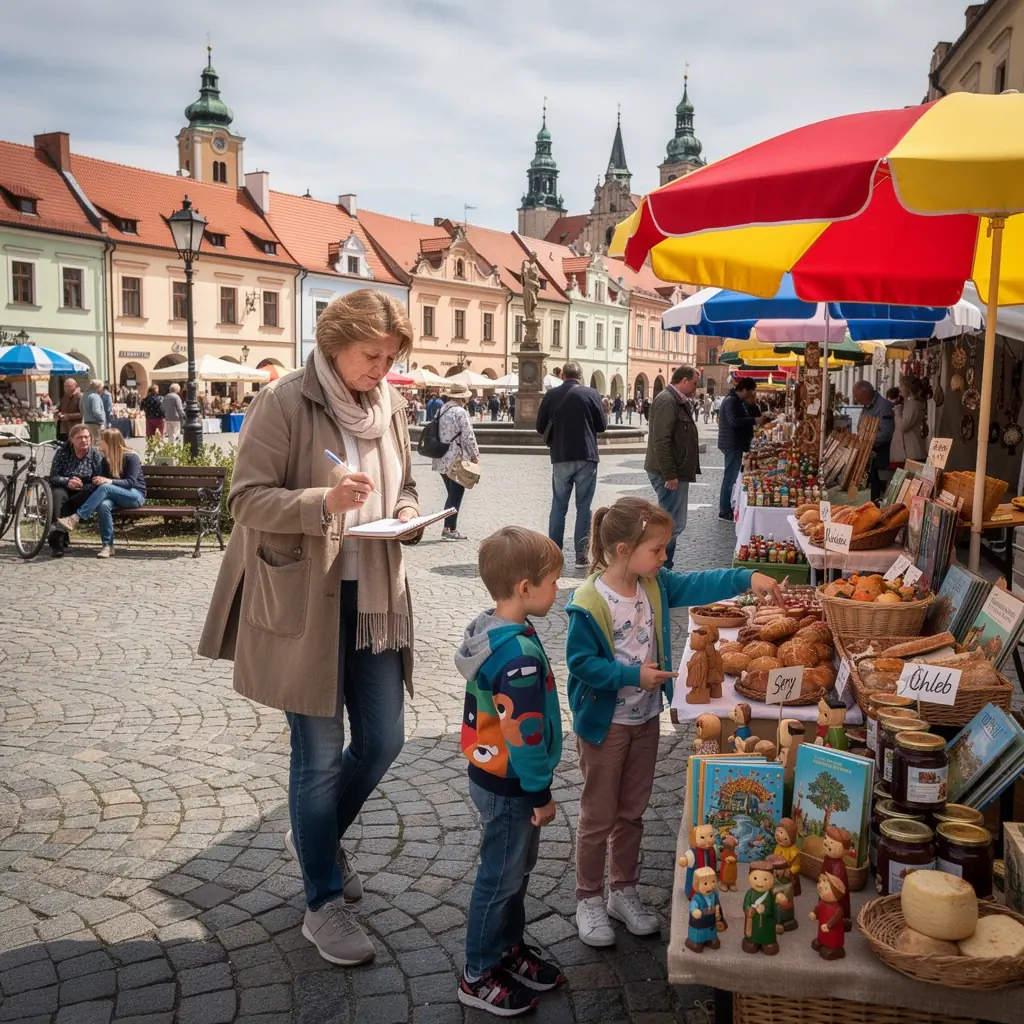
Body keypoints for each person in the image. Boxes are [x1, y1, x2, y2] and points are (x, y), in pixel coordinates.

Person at [199, 289, 422, 969]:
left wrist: (408, 512)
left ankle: (315, 839)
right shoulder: (285, 401)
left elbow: (405, 484)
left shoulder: (391, 407)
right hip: (305, 599)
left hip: (377, 594)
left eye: (389, 357)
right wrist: (321, 501)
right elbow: (245, 498)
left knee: (383, 739)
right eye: (371, 355)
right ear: (334, 345)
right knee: (319, 755)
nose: (381, 369)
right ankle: (321, 900)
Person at [565, 496, 784, 947]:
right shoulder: (589, 601)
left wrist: (748, 576)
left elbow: (701, 582)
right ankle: (588, 897)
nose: (665, 558)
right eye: (658, 549)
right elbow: (581, 664)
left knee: (632, 811)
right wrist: (632, 675)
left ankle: (622, 891)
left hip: (645, 720)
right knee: (598, 815)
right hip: (605, 727)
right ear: (624, 549)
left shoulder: (655, 583)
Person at [455, 527, 566, 1016]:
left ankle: (507, 949)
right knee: (501, 876)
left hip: (497, 776)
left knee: (515, 871)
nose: (557, 590)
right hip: (512, 784)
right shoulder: (517, 658)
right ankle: (477, 972)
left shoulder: (497, 630)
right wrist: (541, 794)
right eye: (553, 582)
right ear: (525, 588)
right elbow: (525, 736)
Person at [536, 361, 607, 566]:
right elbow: (601, 426)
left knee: (559, 506)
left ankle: (554, 554)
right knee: (584, 507)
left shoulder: (551, 395)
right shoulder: (591, 394)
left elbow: (540, 427)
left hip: (561, 455)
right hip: (586, 455)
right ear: (580, 375)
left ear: (562, 375)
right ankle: (581, 556)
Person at [55, 428, 146, 558]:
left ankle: (76, 518)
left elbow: (131, 482)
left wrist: (108, 481)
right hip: (114, 496)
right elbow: (101, 483)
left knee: (105, 487)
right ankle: (108, 546)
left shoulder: (131, 457)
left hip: (134, 495)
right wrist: (93, 483)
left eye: (101, 439)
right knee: (104, 505)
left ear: (110, 442)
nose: (98, 442)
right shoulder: (105, 460)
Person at [644, 365, 701, 570]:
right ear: (684, 380)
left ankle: (663, 568)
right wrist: (670, 474)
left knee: (672, 523)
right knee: (670, 525)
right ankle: (661, 568)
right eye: (694, 383)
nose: (696, 387)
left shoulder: (675, 400)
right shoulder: (668, 401)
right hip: (668, 473)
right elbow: (661, 440)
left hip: (674, 470)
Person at [718, 377, 771, 522]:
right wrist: (755, 421)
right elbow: (734, 422)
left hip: (736, 443)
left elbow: (753, 415)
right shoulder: (731, 401)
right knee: (729, 477)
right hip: (731, 443)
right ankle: (724, 511)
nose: (752, 395)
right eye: (752, 392)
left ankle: (726, 508)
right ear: (745, 390)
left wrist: (753, 405)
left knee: (732, 476)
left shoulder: (739, 401)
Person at [48, 424, 105, 558]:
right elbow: (53, 477)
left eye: (87, 437)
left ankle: (57, 535)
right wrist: (67, 481)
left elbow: (99, 480)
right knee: (58, 495)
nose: (84, 440)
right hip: (64, 487)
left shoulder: (95, 455)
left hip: (85, 490)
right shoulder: (62, 453)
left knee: (68, 504)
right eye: (80, 438)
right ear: (71, 439)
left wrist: (83, 487)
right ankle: (58, 544)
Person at [432, 382, 480, 541]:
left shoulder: (441, 410)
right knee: (455, 496)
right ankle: (449, 529)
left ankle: (449, 527)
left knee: (451, 494)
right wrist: (475, 454)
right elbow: (468, 435)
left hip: (441, 458)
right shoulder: (460, 412)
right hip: (457, 459)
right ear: (463, 397)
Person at [852, 380, 894, 500]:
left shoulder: (884, 407)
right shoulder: (867, 405)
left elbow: (886, 434)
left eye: (857, 395)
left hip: (880, 452)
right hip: (867, 450)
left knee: (873, 481)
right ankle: (858, 500)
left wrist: (868, 442)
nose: (855, 399)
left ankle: (872, 504)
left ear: (865, 393)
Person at [891, 375, 927, 466]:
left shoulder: (914, 405)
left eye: (901, 386)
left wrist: (897, 412)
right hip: (904, 453)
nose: (900, 389)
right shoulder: (908, 403)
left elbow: (903, 426)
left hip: (911, 453)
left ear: (908, 387)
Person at [56, 378, 82, 443]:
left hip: (75, 428)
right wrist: (58, 413)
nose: (66, 388)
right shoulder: (64, 398)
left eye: (69, 386)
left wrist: (68, 416)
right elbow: (59, 410)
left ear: (75, 386)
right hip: (64, 429)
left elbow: (82, 414)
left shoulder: (80, 397)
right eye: (65, 386)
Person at [81, 379, 106, 445]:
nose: (102, 389)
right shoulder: (95, 396)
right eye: (101, 387)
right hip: (95, 424)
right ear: (98, 387)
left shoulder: (85, 395)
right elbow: (97, 411)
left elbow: (81, 408)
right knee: (96, 444)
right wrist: (102, 420)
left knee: (89, 444)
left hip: (87, 422)